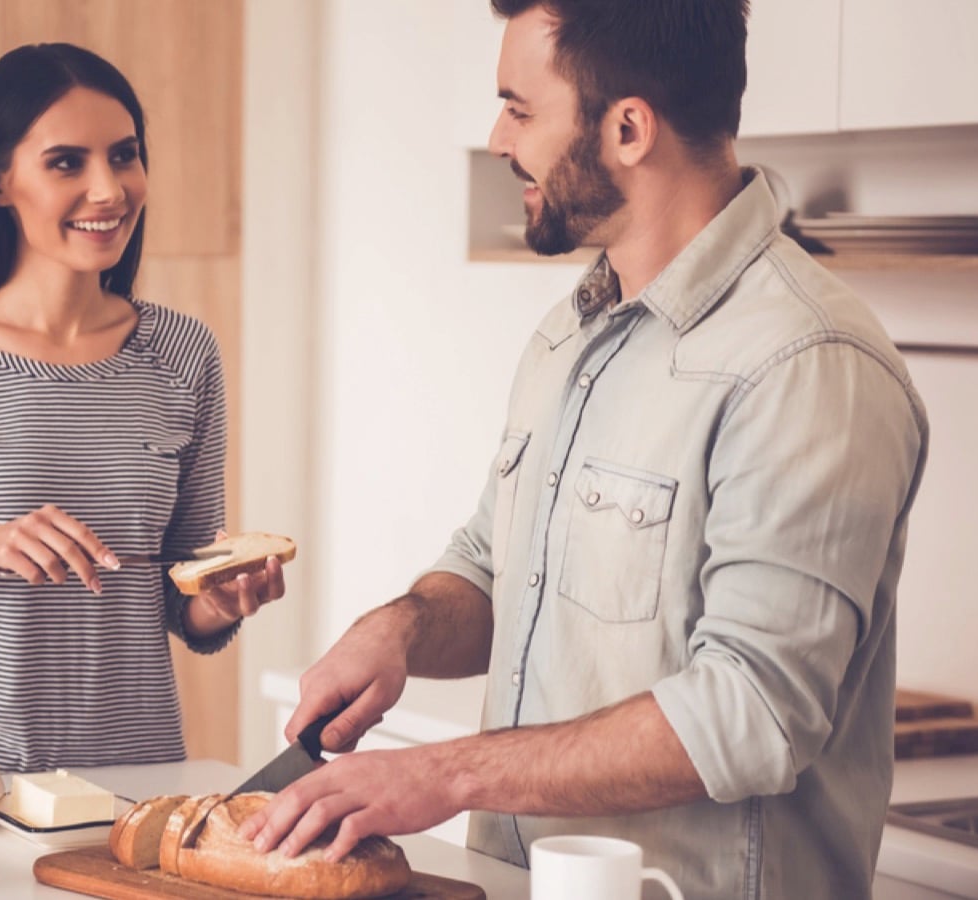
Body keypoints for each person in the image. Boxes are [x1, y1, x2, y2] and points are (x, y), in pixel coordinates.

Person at [241, 2, 927, 897]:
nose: (498, 139)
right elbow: (498, 569)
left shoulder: (806, 364)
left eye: (520, 109)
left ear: (628, 129)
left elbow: (753, 711)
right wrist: (400, 630)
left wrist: (445, 774)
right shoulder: (572, 334)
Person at [0, 43, 285, 772]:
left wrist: (217, 604)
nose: (109, 190)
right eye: (67, 163)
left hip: (135, 780)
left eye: (124, 156)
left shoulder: (184, 354)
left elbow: (181, 588)